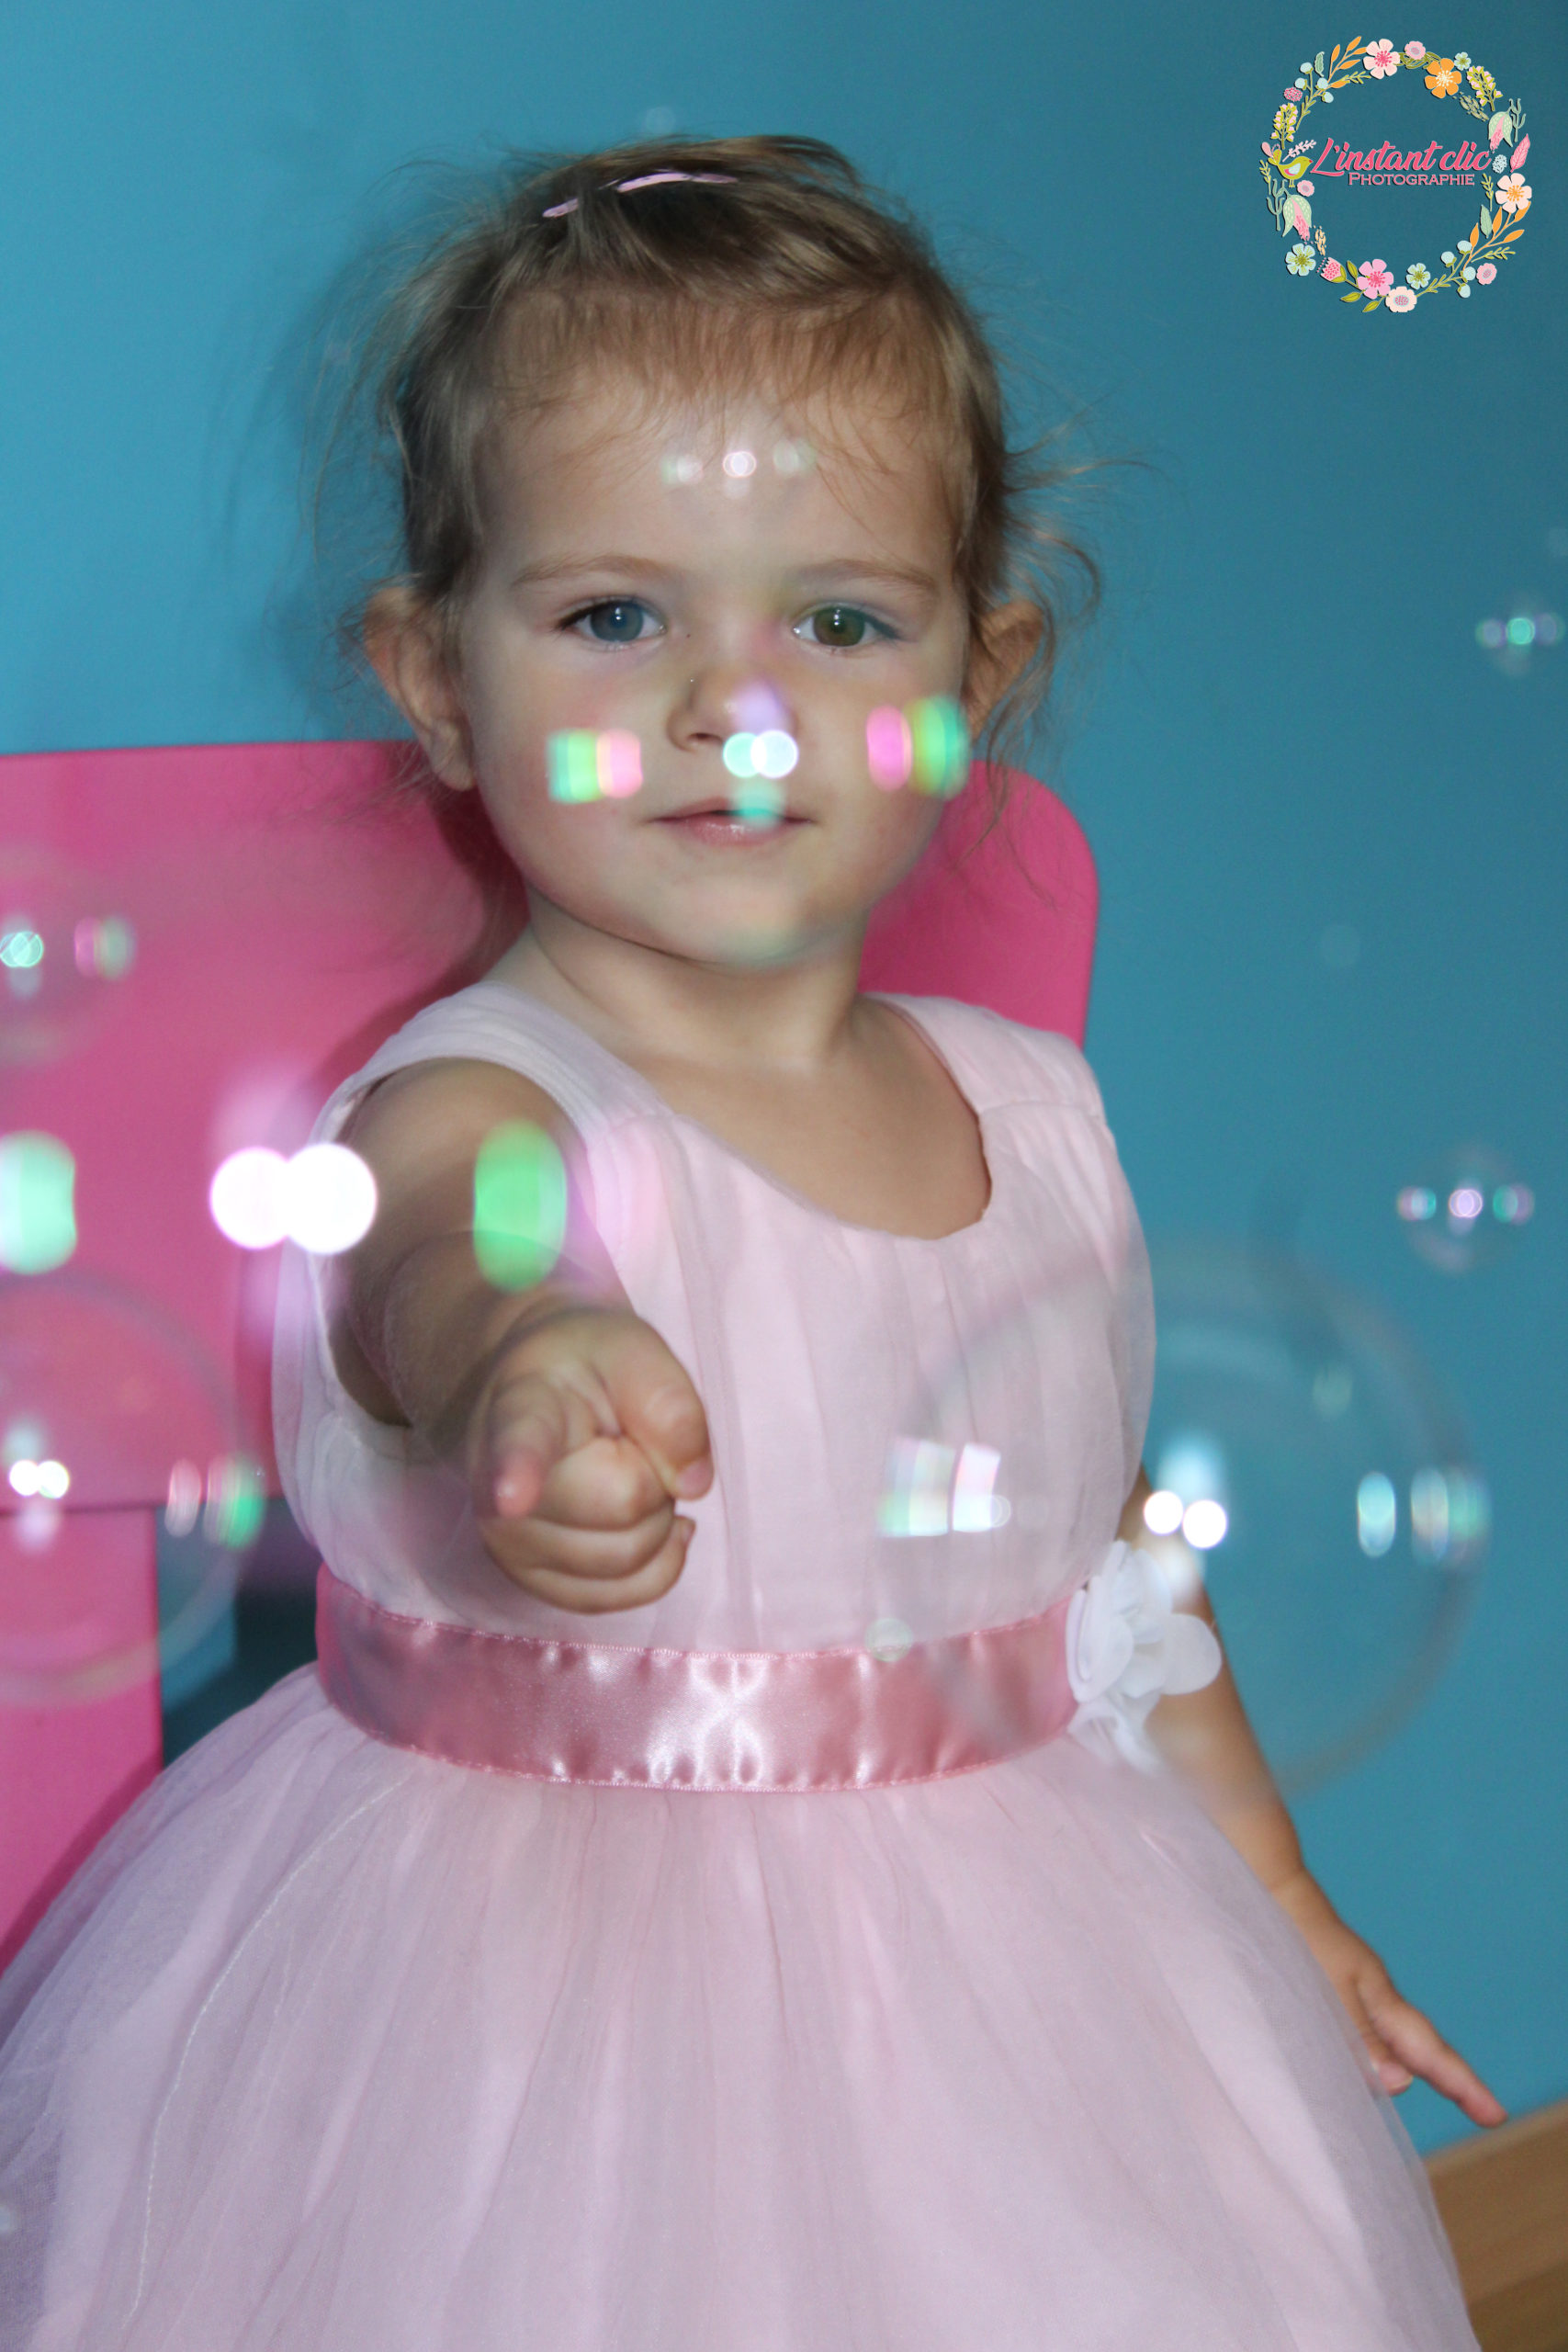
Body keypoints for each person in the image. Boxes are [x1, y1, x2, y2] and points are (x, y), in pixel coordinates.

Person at [0, 135, 1503, 2350]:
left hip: (1030, 2006)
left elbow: (1105, 1566)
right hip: (536, 2038)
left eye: (841, 619)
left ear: (978, 672)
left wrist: (1274, 1890)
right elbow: (437, 1260)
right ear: (433, 678)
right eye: (617, 616)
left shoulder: (1029, 1110)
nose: (738, 704)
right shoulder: (476, 1104)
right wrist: (520, 1356)